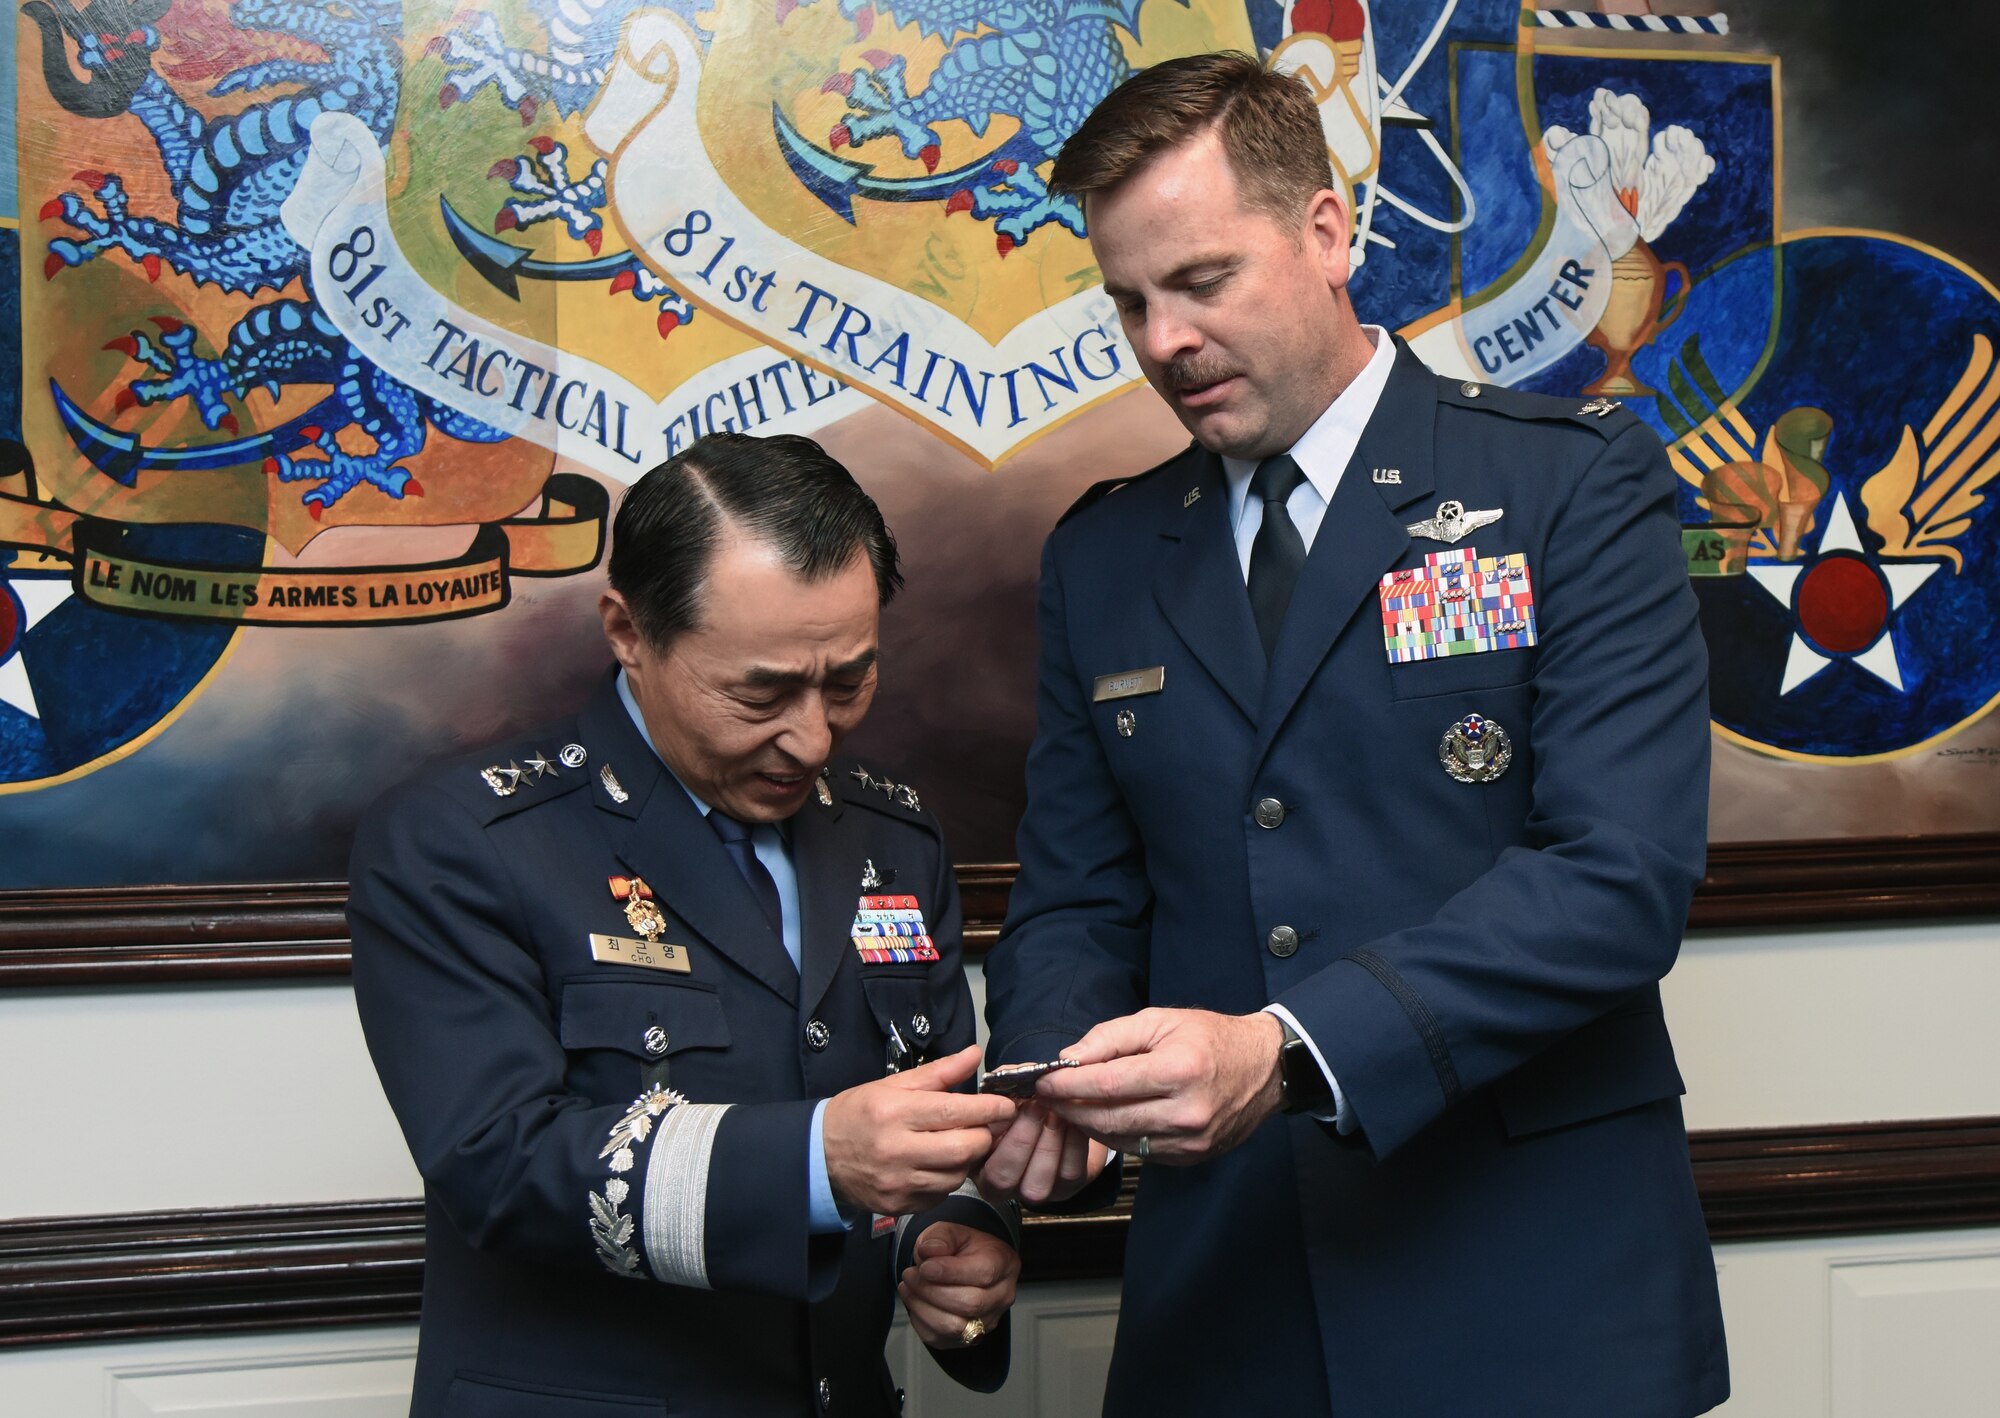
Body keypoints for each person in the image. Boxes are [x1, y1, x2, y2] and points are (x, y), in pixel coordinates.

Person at [980, 51, 1728, 1417]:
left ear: (1327, 232)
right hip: (1233, 1299)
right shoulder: (1105, 556)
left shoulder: (1568, 486)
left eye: (1202, 282)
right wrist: (1047, 1076)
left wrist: (1288, 1046)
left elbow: (1618, 880)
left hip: (1534, 1292)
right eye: (1130, 302)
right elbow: (1078, 899)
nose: (1164, 342)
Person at [349, 432, 1022, 1418]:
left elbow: (925, 1108)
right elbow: (496, 1164)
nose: (812, 734)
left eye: (847, 681)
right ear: (627, 628)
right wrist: (812, 1159)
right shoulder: (463, 841)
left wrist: (948, 1229)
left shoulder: (893, 838)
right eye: (759, 691)